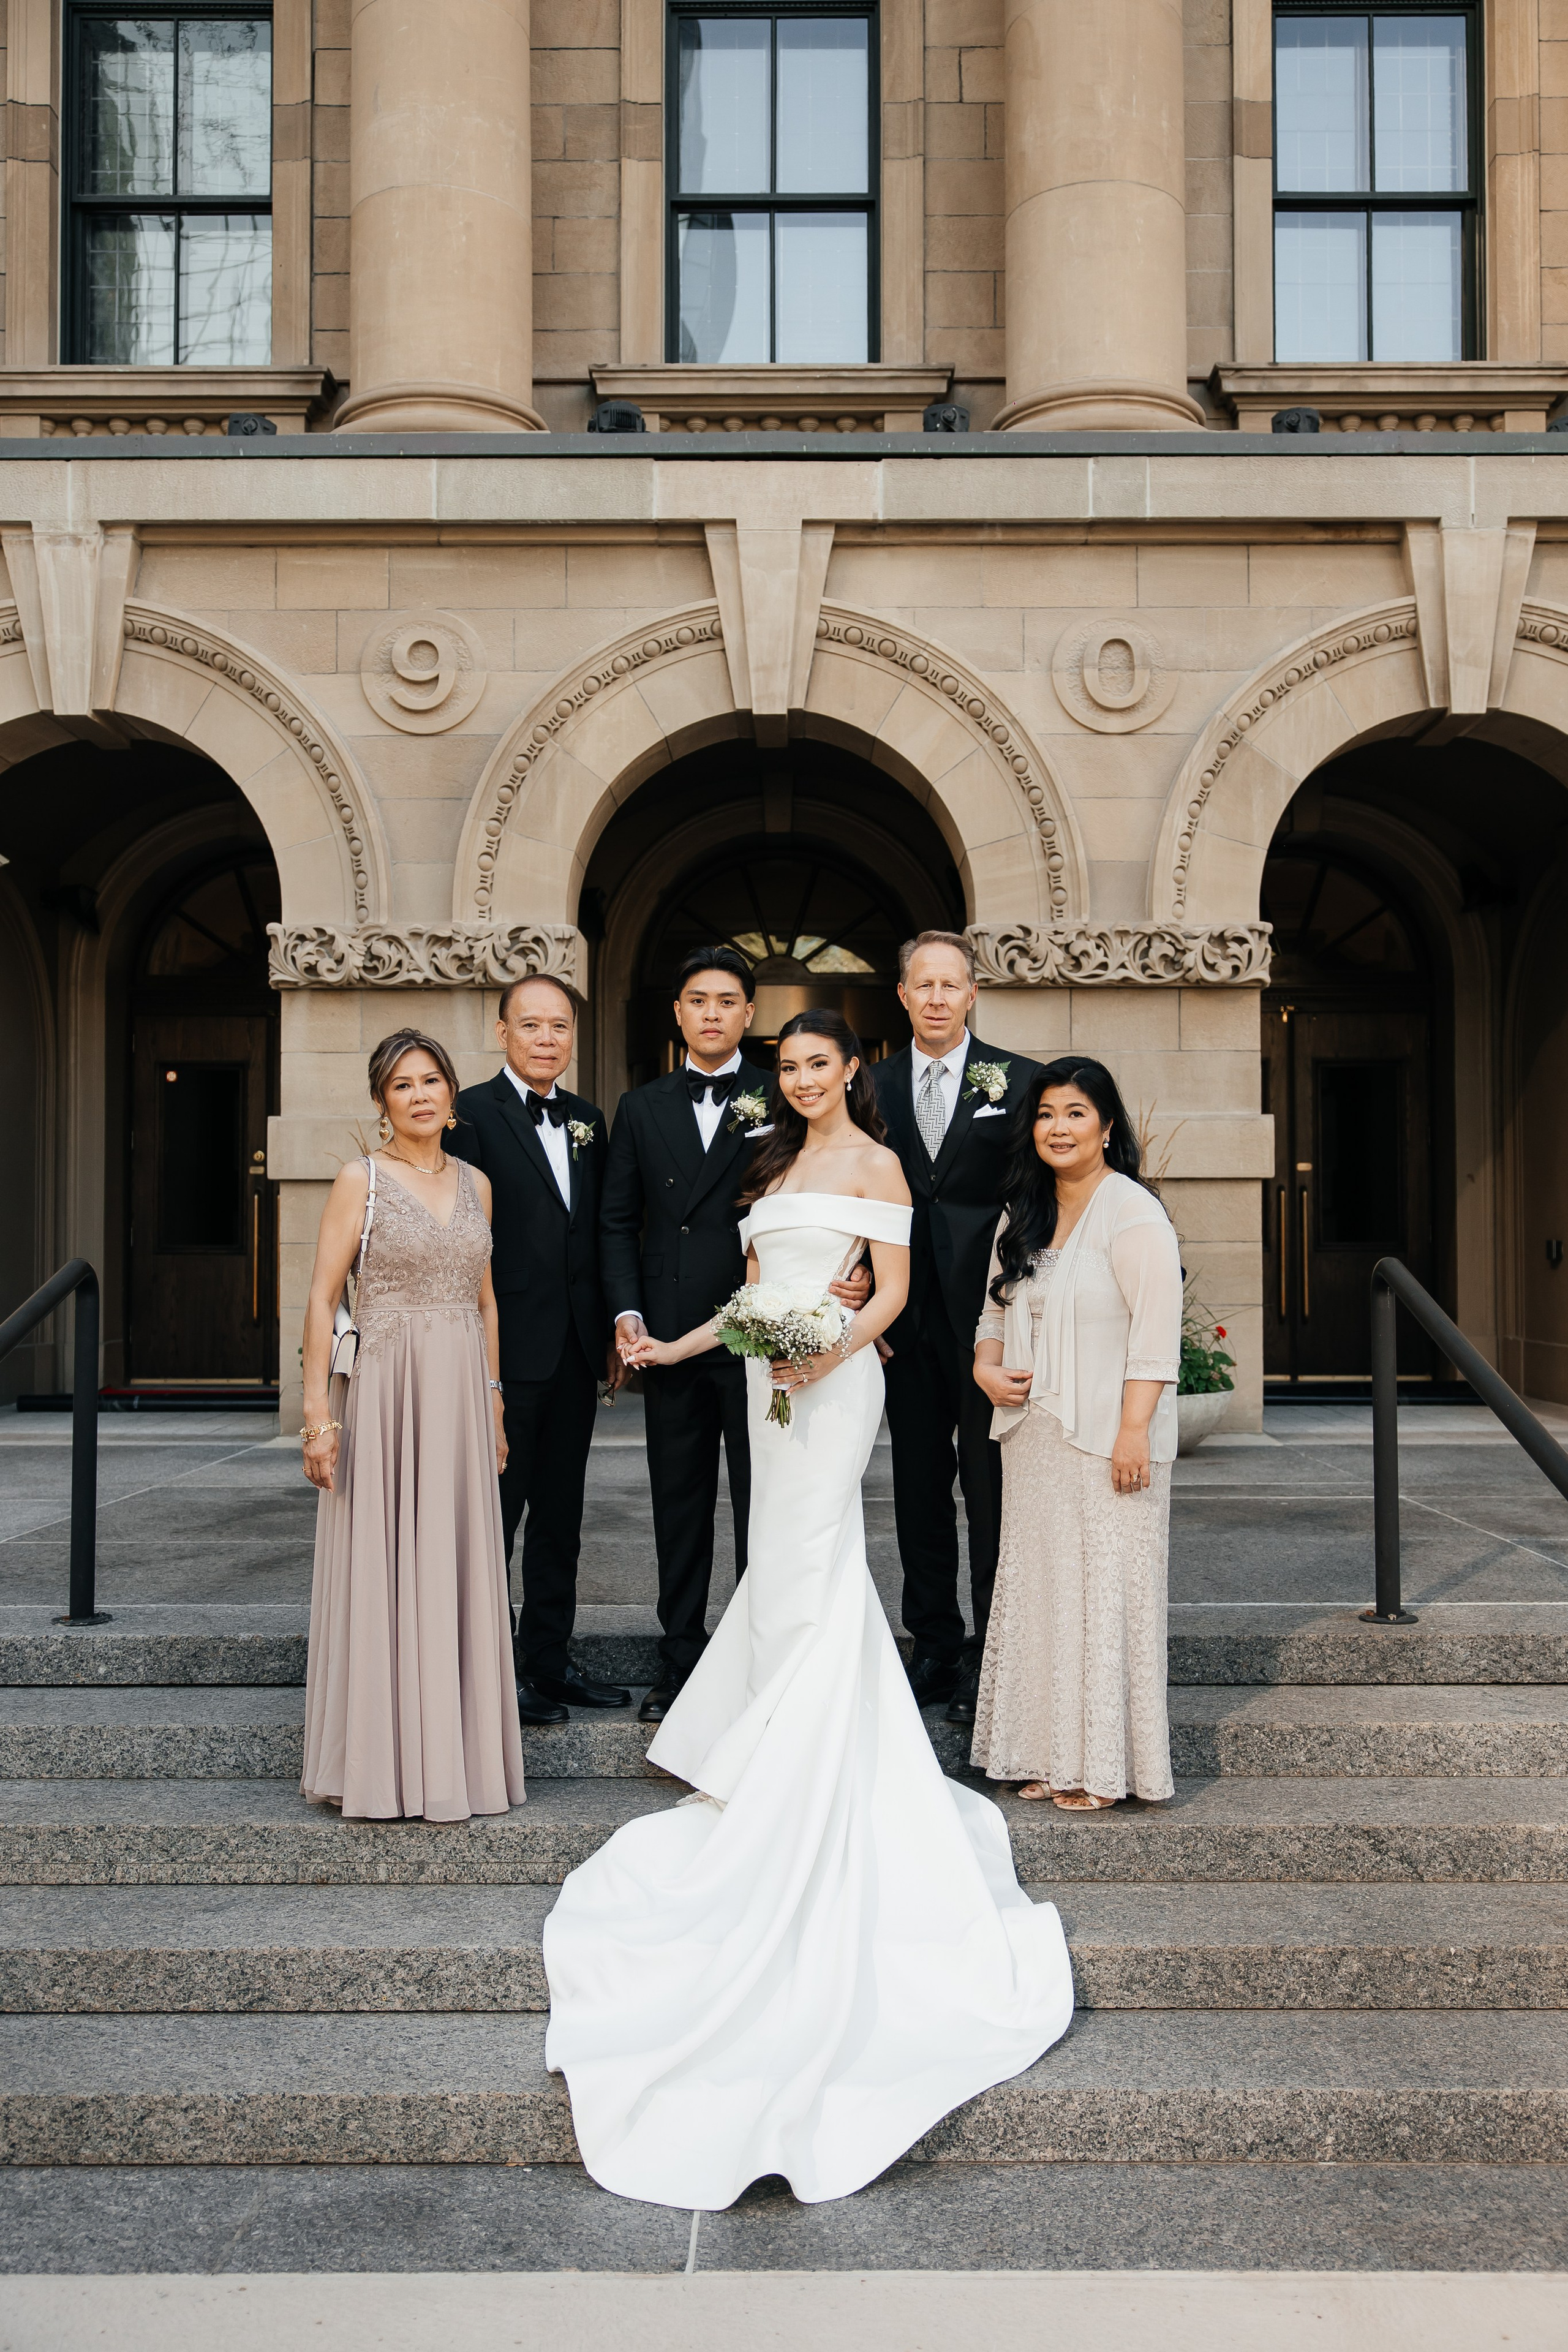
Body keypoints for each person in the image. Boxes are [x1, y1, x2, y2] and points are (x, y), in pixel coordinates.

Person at [543, 1012, 1074, 2211]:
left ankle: (792, 1763)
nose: (799, 1078)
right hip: (760, 1365)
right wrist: (680, 1344)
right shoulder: (770, 1164)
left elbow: (884, 1297)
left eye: (816, 1063)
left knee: (804, 1558)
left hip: (829, 1386)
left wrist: (826, 1357)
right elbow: (751, 1289)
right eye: (785, 1066)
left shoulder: (876, 1166)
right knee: (777, 1568)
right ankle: (780, 1739)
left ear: (849, 1073)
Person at [601, 944, 869, 1720]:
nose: (711, 1013)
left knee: (769, 1507)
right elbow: (619, 1221)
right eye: (697, 1000)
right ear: (678, 1012)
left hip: (771, 1336)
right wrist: (628, 1313)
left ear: (749, 1015)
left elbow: (845, 1198)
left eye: (727, 1001)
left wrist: (858, 1280)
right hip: (674, 1332)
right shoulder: (640, 1107)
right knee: (678, 1508)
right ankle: (680, 1664)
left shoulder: (787, 1093)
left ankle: (763, 1662)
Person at [298, 1029, 525, 1822]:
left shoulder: (478, 1184)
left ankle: (450, 1760)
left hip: (459, 1389)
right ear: (381, 1101)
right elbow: (324, 1300)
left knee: (452, 1565)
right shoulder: (357, 1180)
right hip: (388, 1390)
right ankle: (378, 1764)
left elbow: (487, 1299)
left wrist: (494, 1400)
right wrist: (317, 1418)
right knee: (387, 1566)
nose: (420, 1095)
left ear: (452, 1095)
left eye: (432, 1080)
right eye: (403, 1085)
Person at [971, 1057, 1182, 1809]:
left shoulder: (1133, 1215)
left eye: (1075, 1114)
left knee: (1104, 1600)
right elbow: (993, 1314)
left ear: (1106, 1128)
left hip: (1105, 1441)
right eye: (1046, 1114)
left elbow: (1157, 1336)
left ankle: (1104, 1768)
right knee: (1047, 1599)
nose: (1057, 1129)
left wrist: (1134, 1431)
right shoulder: (1021, 1211)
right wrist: (986, 1369)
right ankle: (1051, 1754)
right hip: (1033, 1439)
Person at [448, 976, 630, 1726]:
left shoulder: (589, 1119)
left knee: (562, 1518)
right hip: (502, 1349)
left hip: (575, 1351)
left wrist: (613, 1327)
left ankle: (549, 1663)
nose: (546, 1038)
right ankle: (488, 1673)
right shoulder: (471, 1117)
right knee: (495, 1514)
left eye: (559, 1026)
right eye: (531, 1025)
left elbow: (598, 1231)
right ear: (502, 1031)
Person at [871, 930, 1040, 1724]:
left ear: (973, 993)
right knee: (917, 1487)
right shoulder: (866, 1090)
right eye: (922, 986)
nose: (937, 998)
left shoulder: (1021, 1082)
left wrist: (1016, 1310)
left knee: (990, 1484)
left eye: (951, 985)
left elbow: (1035, 1204)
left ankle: (993, 1652)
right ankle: (933, 1643)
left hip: (989, 1324)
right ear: (902, 996)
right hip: (904, 1323)